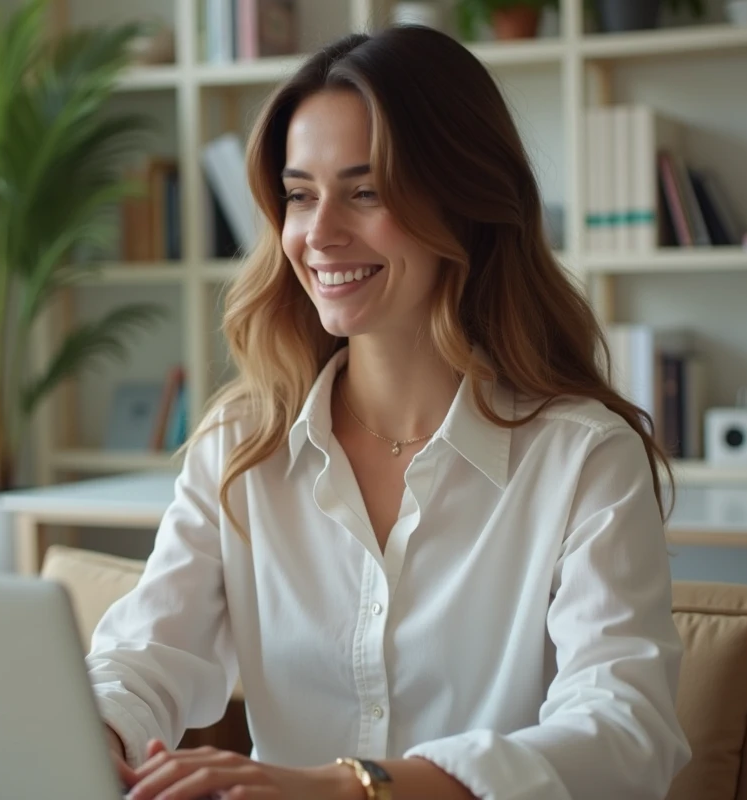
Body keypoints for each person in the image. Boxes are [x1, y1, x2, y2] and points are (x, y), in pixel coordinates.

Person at [88, 24, 691, 800]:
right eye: (300, 195)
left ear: (467, 201)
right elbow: (146, 655)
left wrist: (354, 789)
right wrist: (95, 733)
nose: (320, 234)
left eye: (365, 192)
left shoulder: (583, 458)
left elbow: (622, 732)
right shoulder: (243, 443)